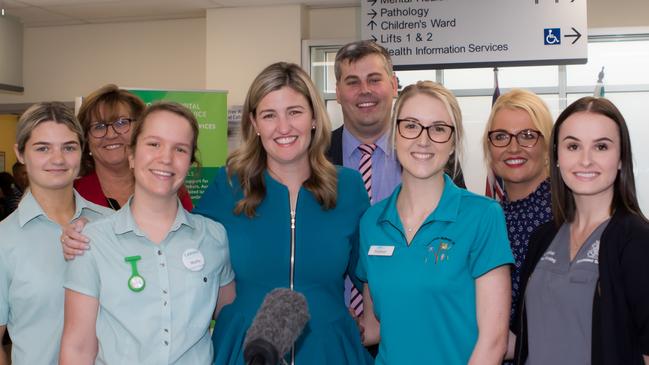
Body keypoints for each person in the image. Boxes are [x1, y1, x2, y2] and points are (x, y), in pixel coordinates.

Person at [194, 62, 372, 364]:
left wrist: (372, 324)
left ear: (314, 118)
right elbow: (184, 251)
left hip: (328, 350)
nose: (284, 127)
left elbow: (371, 270)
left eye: (295, 112)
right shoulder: (228, 185)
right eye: (269, 115)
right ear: (254, 124)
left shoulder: (349, 186)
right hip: (244, 349)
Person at [60, 102, 234, 364]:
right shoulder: (92, 242)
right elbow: (78, 349)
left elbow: (232, 320)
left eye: (180, 149)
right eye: (154, 144)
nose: (166, 158)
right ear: (131, 155)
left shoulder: (214, 237)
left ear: (190, 162)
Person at [357, 81, 513, 364]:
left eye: (439, 128)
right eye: (411, 125)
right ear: (394, 135)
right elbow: (374, 326)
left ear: (453, 143)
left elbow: (494, 342)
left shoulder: (482, 216)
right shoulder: (371, 222)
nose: (423, 139)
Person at [328, 39, 466, 324]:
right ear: (338, 92)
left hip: (417, 324)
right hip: (334, 331)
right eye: (352, 82)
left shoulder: (432, 155)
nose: (364, 90)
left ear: (393, 85)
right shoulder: (314, 160)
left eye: (374, 79)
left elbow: (456, 241)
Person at [511, 97, 649, 365]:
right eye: (573, 146)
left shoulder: (638, 241)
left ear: (621, 158)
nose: (585, 160)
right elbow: (519, 340)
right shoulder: (542, 238)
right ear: (557, 157)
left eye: (601, 146)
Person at [0, 102, 112, 365]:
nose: (58, 159)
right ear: (20, 153)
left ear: (81, 152)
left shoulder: (111, 225)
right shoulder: (4, 240)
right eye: (42, 148)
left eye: (69, 147)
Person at [482, 89, 554, 325]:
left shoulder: (570, 216)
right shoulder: (484, 219)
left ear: (547, 145)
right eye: (501, 136)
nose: (513, 147)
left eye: (527, 135)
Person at [74, 84, 192, 210]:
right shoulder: (72, 195)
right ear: (86, 138)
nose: (111, 134)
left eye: (121, 123)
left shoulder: (169, 187)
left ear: (141, 129)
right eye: (99, 126)